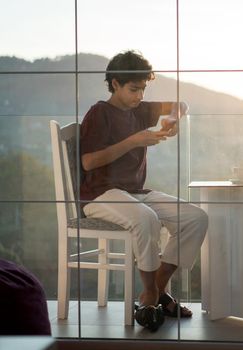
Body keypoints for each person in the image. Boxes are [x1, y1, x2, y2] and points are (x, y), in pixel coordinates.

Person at [79, 50, 208, 331]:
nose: (139, 96)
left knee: (195, 218)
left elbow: (181, 103)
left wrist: (173, 118)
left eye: (143, 89)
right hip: (100, 194)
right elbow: (88, 161)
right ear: (115, 84)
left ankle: (156, 290)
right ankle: (151, 293)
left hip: (135, 192)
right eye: (133, 89)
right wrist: (134, 140)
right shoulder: (99, 112)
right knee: (147, 218)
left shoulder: (139, 109)